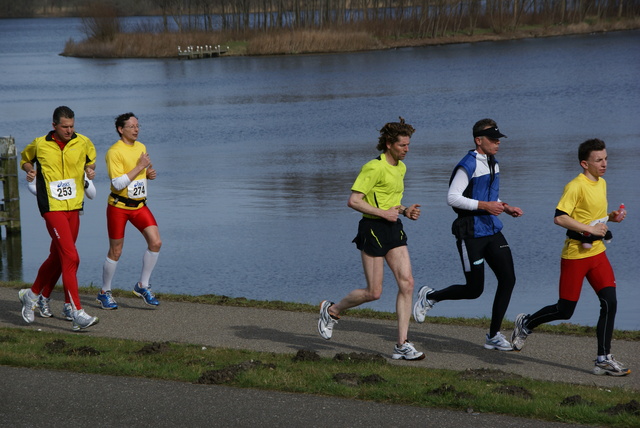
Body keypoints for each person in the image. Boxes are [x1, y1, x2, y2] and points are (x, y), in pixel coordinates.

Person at [511, 138, 630, 376]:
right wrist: (589, 230)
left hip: (597, 253)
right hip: (575, 255)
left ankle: (603, 359)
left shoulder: (602, 183)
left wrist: (610, 217)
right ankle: (526, 323)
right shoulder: (575, 185)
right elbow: (560, 217)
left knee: (610, 302)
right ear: (584, 163)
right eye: (599, 160)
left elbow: (592, 217)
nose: (604, 163)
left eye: (605, 158)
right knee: (565, 310)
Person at [317, 117, 424, 360]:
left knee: (407, 283)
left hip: (393, 227)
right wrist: (382, 213)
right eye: (402, 146)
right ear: (388, 144)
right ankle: (332, 310)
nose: (407, 150)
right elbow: (354, 200)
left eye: (408, 145)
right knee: (374, 292)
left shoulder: (400, 167)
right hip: (372, 229)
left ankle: (401, 344)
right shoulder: (373, 167)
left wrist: (404, 210)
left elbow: (390, 201)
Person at [413, 118, 523, 351]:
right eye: (492, 139)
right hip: (470, 233)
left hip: (492, 229)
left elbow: (489, 198)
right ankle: (430, 297)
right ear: (478, 140)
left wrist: (504, 206)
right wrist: (485, 206)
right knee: (475, 289)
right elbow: (452, 198)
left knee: (508, 279)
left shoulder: (494, 163)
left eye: (498, 139)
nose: (497, 143)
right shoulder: (467, 164)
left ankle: (493, 335)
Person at [18, 105, 99, 331]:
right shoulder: (40, 144)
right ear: (54, 126)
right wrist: (29, 170)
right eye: (65, 127)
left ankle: (32, 294)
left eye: (72, 126)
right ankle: (77, 313)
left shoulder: (83, 142)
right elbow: (25, 159)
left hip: (74, 207)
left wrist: (90, 171)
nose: (69, 131)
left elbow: (90, 160)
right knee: (71, 256)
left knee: (58, 256)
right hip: (51, 207)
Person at [97, 112, 161, 309]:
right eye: (132, 126)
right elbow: (117, 184)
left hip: (139, 205)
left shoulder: (141, 147)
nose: (136, 129)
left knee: (156, 242)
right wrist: (140, 166)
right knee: (116, 251)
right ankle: (104, 292)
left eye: (137, 126)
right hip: (119, 207)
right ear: (120, 129)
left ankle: (143, 285)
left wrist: (147, 173)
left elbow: (139, 174)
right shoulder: (114, 152)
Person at [27, 173, 96, 321]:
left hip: (74, 215)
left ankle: (40, 296)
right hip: (57, 215)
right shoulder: (51, 164)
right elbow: (33, 187)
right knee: (69, 258)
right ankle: (68, 306)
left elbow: (92, 194)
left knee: (59, 258)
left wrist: (85, 180)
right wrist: (39, 184)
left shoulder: (78, 166)